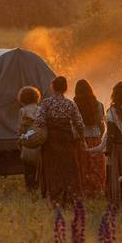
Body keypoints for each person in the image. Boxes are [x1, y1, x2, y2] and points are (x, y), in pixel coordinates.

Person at [38, 75, 86, 206]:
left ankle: (55, 197)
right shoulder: (70, 104)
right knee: (69, 168)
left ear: (53, 87)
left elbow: (40, 121)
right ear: (65, 88)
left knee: (53, 168)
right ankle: (70, 196)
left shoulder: (46, 103)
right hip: (66, 139)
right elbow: (79, 123)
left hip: (51, 140)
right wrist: (82, 139)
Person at [73, 79, 106, 198]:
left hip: (80, 139)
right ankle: (97, 189)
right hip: (95, 138)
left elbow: (74, 125)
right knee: (96, 165)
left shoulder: (74, 105)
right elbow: (101, 123)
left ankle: (84, 190)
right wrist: (100, 136)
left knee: (82, 165)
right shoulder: (98, 105)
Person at [17, 86, 43, 192]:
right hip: (40, 144)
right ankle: (39, 187)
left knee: (28, 169)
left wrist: (20, 140)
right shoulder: (40, 110)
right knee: (39, 169)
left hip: (28, 143)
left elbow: (21, 129)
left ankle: (30, 188)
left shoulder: (22, 111)